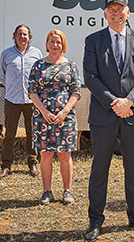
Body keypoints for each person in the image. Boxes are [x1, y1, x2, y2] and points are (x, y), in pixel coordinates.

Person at [82, 0, 134, 241]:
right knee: (99, 169)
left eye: (120, 8)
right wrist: (113, 102)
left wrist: (129, 101)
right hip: (104, 115)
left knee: (133, 168)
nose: (116, 13)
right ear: (105, 14)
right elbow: (90, 77)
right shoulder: (93, 40)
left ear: (128, 12)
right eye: (111, 9)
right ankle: (95, 221)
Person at [28, 29, 81, 205]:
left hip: (65, 118)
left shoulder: (71, 66)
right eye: (52, 41)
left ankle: (67, 191)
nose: (55, 45)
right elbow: (32, 91)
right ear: (47, 44)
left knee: (65, 155)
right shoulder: (38, 65)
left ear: (63, 44)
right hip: (43, 118)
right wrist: (44, 111)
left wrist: (64, 112)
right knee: (45, 155)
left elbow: (76, 92)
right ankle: (47, 191)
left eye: (58, 42)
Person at [0, 24, 43, 179]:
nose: (22, 37)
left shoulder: (37, 53)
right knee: (9, 134)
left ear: (29, 36)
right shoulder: (6, 54)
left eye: (25, 34)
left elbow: (40, 76)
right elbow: (1, 76)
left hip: (32, 100)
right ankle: (6, 166)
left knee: (32, 134)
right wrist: (12, 87)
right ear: (14, 36)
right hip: (12, 100)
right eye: (19, 34)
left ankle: (32, 164)